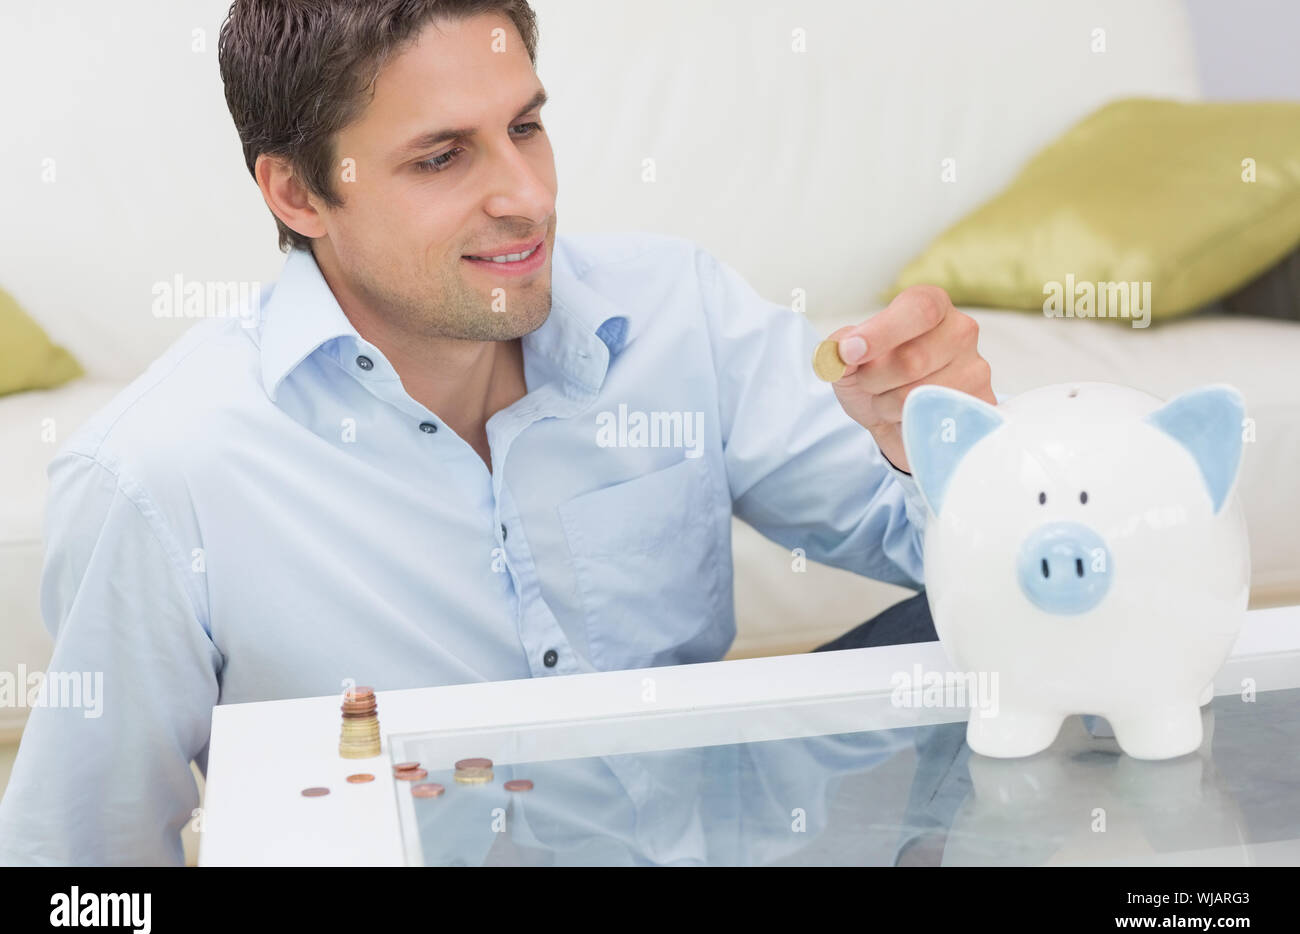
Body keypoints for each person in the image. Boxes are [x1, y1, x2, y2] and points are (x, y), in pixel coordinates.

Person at [0, 0, 994, 864]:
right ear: (299, 193)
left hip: (710, 842)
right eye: (441, 156)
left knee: (1000, 620)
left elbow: (955, 557)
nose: (527, 196)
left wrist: (943, 448)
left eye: (526, 126)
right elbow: (83, 863)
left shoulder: (673, 314)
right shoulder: (159, 475)